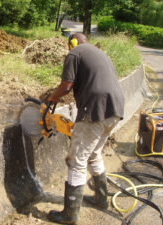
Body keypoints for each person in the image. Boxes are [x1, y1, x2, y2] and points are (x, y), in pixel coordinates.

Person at [47, 33, 125, 225]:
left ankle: (69, 215)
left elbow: (66, 86)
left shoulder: (75, 53)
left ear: (71, 43)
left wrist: (52, 98)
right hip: (114, 110)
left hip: (95, 110)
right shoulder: (99, 53)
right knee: (93, 154)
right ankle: (100, 200)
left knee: (76, 161)